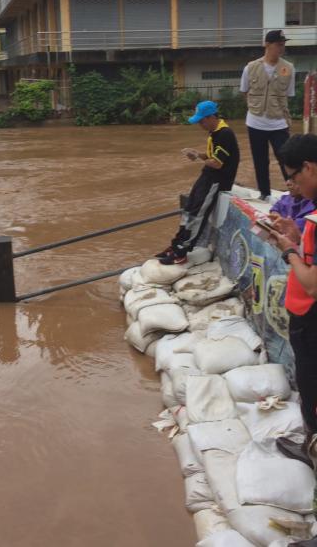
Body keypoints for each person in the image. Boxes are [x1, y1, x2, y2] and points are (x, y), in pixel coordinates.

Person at [269, 134, 317, 473]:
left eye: (294, 175)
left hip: (310, 316)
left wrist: (287, 250)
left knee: (311, 382)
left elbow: (313, 284)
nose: (292, 183)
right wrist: (298, 239)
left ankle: (313, 447)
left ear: (310, 168)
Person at [156, 100, 239, 265]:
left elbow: (217, 163)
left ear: (210, 118)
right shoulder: (215, 133)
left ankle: (181, 252)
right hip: (208, 176)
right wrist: (198, 154)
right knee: (189, 209)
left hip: (217, 180)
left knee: (197, 214)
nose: (200, 125)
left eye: (201, 121)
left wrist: (196, 159)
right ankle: (176, 244)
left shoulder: (225, 134)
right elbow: (211, 157)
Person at [240, 29, 296, 202]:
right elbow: (244, 92)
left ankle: (294, 194)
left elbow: (288, 94)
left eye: (283, 45)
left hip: (279, 123)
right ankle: (265, 193)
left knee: (286, 159)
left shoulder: (288, 68)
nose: (281, 48)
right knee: (260, 160)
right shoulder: (251, 68)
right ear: (267, 45)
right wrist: (256, 107)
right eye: (279, 45)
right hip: (255, 123)